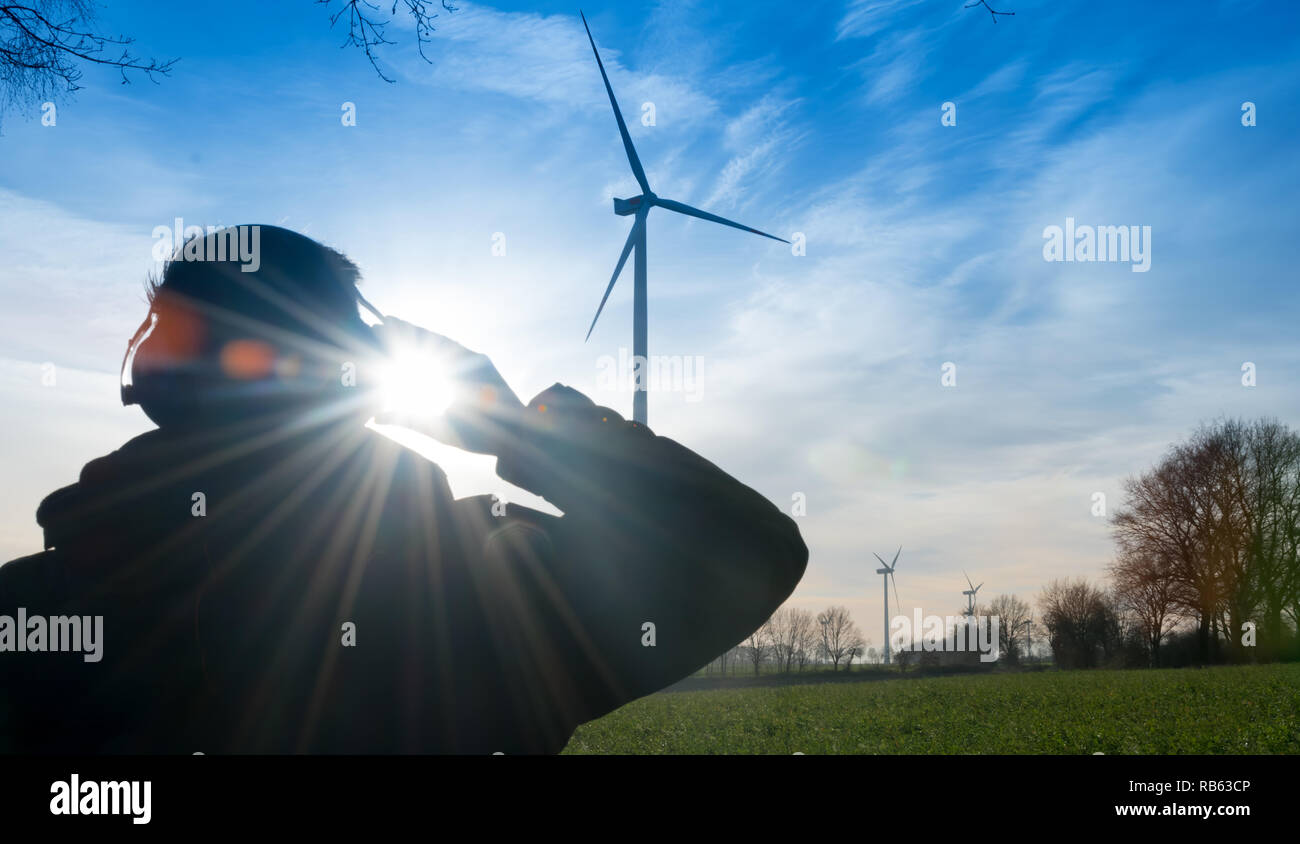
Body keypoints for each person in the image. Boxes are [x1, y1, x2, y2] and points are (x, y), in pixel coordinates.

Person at [0, 225, 807, 754]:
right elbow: (749, 548)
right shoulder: (470, 588)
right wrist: (521, 431)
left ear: (157, 375)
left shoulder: (32, 611)